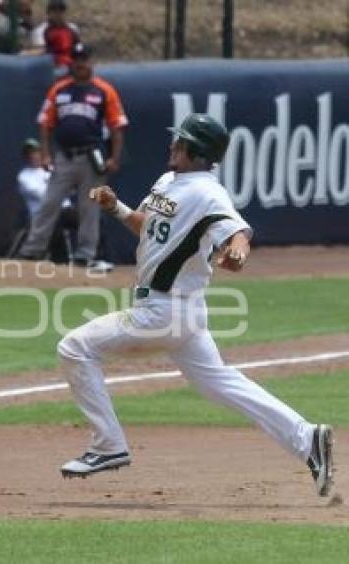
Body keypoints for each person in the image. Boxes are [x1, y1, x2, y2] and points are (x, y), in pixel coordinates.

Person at [56, 113, 334, 500]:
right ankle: (308, 439)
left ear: (196, 151)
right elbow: (148, 227)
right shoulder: (169, 181)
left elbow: (237, 232)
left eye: (180, 142)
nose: (173, 146)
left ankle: (108, 446)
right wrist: (116, 206)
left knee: (74, 347)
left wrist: (237, 251)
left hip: (162, 312)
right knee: (222, 383)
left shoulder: (208, 193)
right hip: (184, 315)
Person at [19, 42, 126, 271]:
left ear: (91, 62)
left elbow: (117, 126)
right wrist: (46, 154)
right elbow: (45, 124)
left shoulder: (103, 90)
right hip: (64, 157)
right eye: (77, 59)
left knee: (89, 208)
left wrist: (114, 158)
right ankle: (33, 249)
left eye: (84, 59)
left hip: (91, 158)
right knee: (49, 202)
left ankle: (84, 254)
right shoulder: (60, 89)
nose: (80, 63)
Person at [28, 0, 81, 76]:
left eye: (61, 11)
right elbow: (40, 52)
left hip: (71, 64)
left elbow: (78, 47)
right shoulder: (41, 30)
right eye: (55, 11)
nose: (58, 14)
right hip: (51, 66)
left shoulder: (72, 28)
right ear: (48, 13)